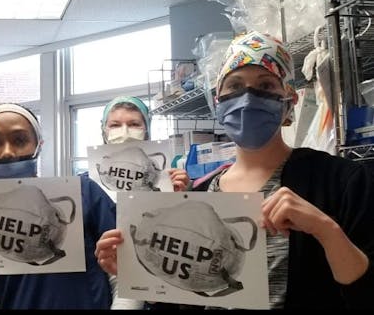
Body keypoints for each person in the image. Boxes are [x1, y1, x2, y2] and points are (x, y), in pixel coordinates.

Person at [95, 31, 373, 309]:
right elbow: (186, 298)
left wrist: (326, 231)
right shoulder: (203, 194)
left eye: (265, 86)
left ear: (288, 103)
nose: (248, 98)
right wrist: (139, 268)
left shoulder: (340, 182)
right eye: (235, 86)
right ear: (218, 104)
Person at [0, 103, 117, 309]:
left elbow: (124, 278)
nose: (7, 152)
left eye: (20, 140)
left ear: (38, 145)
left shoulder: (83, 193)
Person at [98, 95, 189, 191]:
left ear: (147, 130)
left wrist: (181, 195)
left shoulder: (168, 178)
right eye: (115, 125)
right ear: (104, 131)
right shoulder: (88, 185)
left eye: (134, 124)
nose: (125, 133)